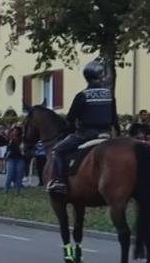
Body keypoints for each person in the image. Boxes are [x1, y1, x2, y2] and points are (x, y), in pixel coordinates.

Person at [48, 59, 119, 194]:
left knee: (57, 150)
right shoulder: (109, 95)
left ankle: (59, 182)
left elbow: (70, 119)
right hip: (107, 133)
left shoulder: (82, 95)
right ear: (100, 75)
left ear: (86, 77)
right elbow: (115, 118)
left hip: (87, 134)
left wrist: (68, 131)